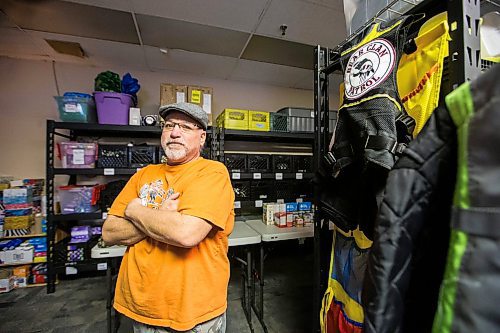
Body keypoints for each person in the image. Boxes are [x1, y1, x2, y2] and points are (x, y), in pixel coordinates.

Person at [102, 102, 235, 333]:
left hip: (192, 310)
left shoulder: (212, 173)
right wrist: (160, 216)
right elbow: (110, 232)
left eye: (185, 127)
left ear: (202, 137)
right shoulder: (143, 174)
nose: (174, 132)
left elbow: (186, 233)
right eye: (169, 125)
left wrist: (135, 211)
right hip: (142, 306)